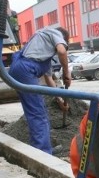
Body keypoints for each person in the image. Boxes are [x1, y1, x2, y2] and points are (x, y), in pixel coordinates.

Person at [9, 26, 72, 154]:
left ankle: (40, 148)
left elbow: (49, 79)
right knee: (38, 113)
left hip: (19, 69)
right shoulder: (55, 33)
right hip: (25, 69)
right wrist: (67, 73)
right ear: (63, 39)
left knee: (35, 111)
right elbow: (62, 51)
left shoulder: (43, 52)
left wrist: (60, 100)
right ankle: (43, 152)